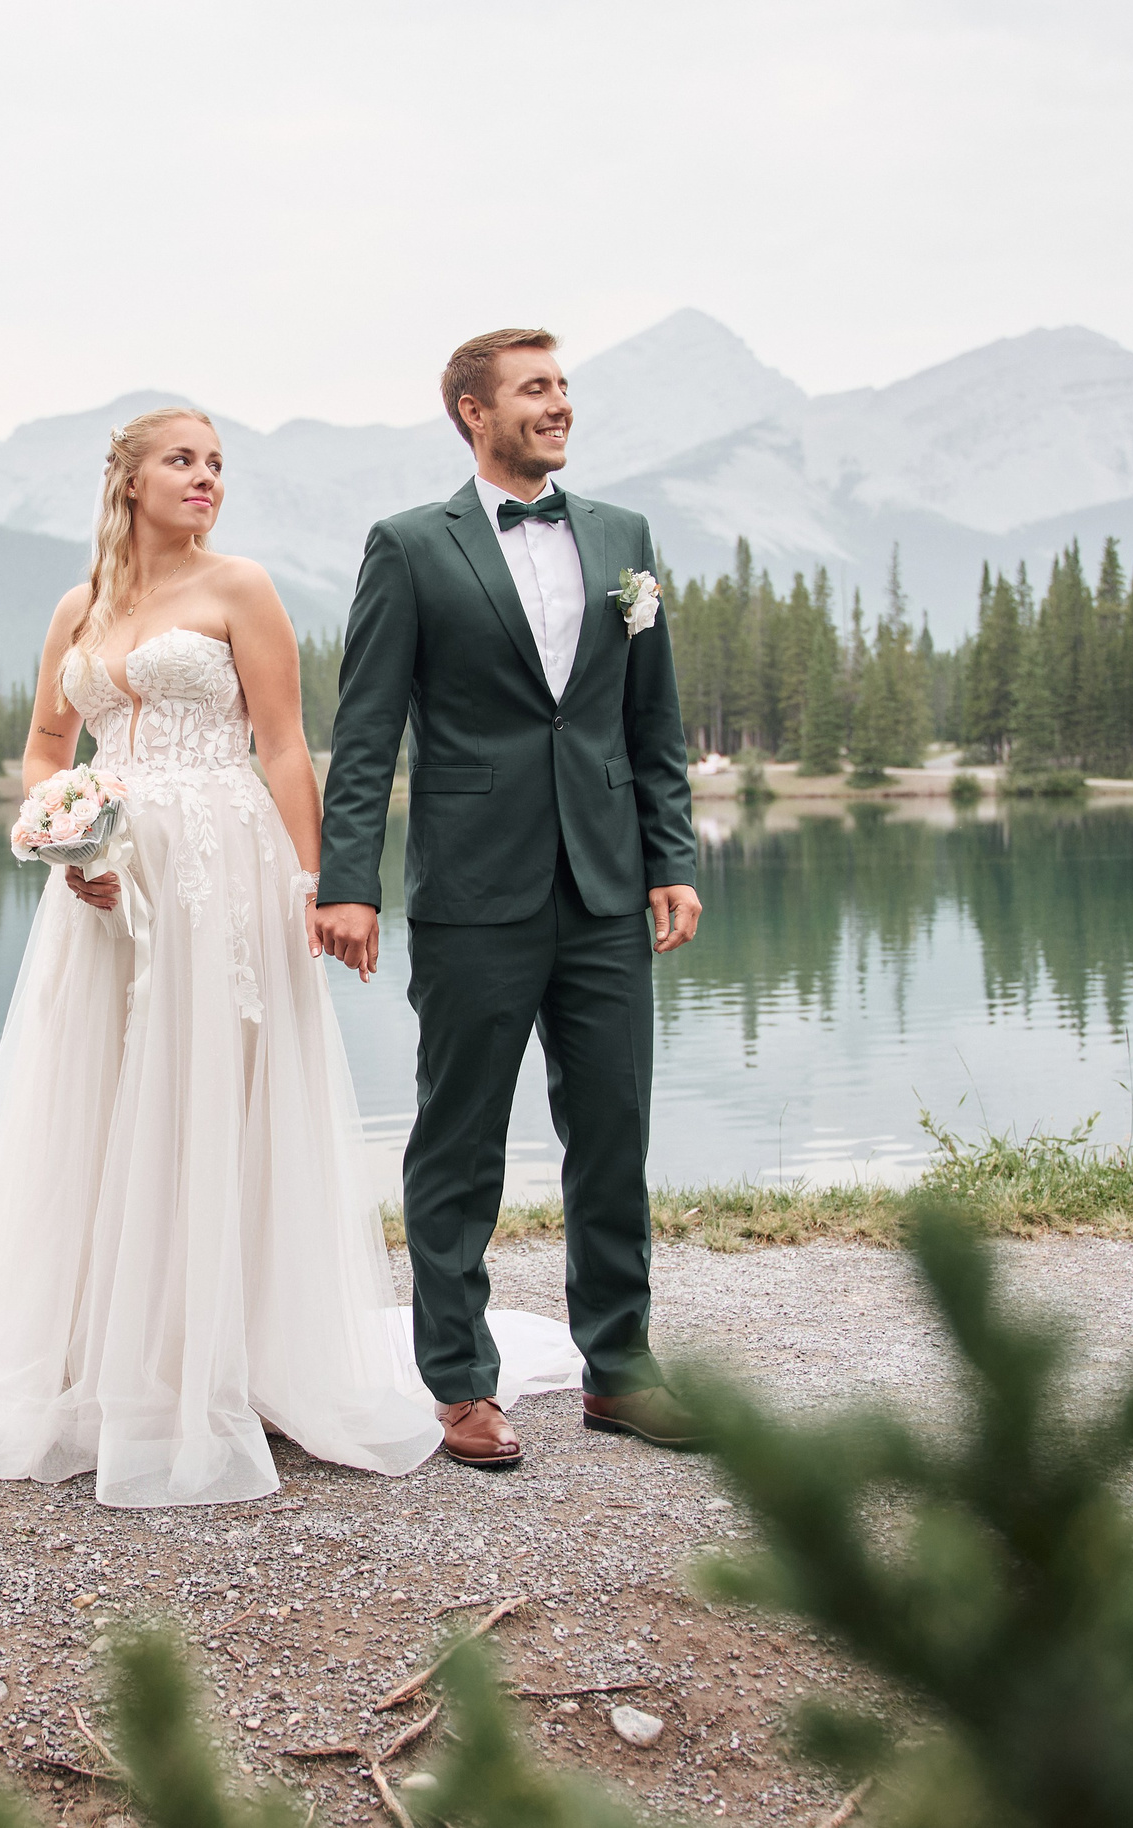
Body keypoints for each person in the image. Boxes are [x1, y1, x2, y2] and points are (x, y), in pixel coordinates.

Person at [0, 407, 576, 1508]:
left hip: (222, 875)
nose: (206, 479)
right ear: (129, 481)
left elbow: (287, 742)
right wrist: (65, 839)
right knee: (96, 1095)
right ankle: (98, 1350)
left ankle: (229, 1353)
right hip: (108, 886)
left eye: (215, 465)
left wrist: (319, 885)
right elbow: (50, 745)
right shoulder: (79, 608)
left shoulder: (240, 587)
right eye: (183, 462)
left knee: (213, 1094)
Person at [311, 329, 704, 1473]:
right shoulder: (408, 547)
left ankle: (621, 1369)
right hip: (474, 889)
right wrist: (350, 886)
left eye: (564, 387)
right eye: (535, 389)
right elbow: (367, 731)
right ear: (472, 414)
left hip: (604, 883)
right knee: (459, 1138)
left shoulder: (623, 540)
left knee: (613, 1129)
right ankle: (460, 1383)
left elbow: (652, 721)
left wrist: (669, 857)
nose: (559, 405)